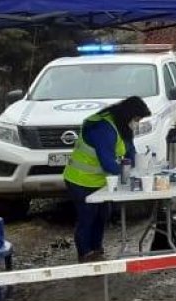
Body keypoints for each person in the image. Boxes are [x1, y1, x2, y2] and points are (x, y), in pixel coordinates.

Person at [62, 96, 151, 262]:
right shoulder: (104, 128)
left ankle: (97, 249)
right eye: (137, 119)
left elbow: (129, 150)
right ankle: (85, 254)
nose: (137, 123)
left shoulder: (123, 127)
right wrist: (128, 175)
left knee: (103, 214)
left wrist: (138, 167)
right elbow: (108, 163)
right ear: (129, 115)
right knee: (87, 216)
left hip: (99, 181)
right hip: (80, 180)